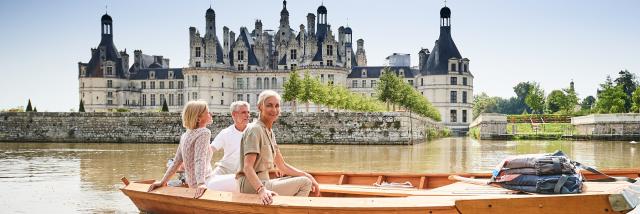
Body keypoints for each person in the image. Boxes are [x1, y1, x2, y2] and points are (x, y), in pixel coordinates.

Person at [236, 90, 320, 205]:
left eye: (277, 106)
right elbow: (247, 167)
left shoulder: (269, 131)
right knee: (305, 183)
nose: (274, 110)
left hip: (263, 181)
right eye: (269, 105)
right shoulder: (255, 130)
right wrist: (261, 190)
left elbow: (282, 165)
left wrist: (308, 175)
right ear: (260, 107)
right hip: (252, 185)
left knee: (306, 179)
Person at [148, 100, 213, 199]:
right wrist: (201, 183)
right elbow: (200, 159)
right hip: (205, 183)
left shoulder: (185, 135)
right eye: (207, 112)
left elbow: (176, 162)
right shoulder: (204, 132)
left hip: (192, 183)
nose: (211, 114)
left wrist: (163, 182)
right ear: (199, 118)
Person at [210, 101, 250, 175]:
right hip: (225, 169)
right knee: (208, 181)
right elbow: (211, 149)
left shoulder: (254, 131)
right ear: (234, 114)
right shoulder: (225, 132)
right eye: (244, 112)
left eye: (248, 112)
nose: (247, 115)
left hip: (246, 172)